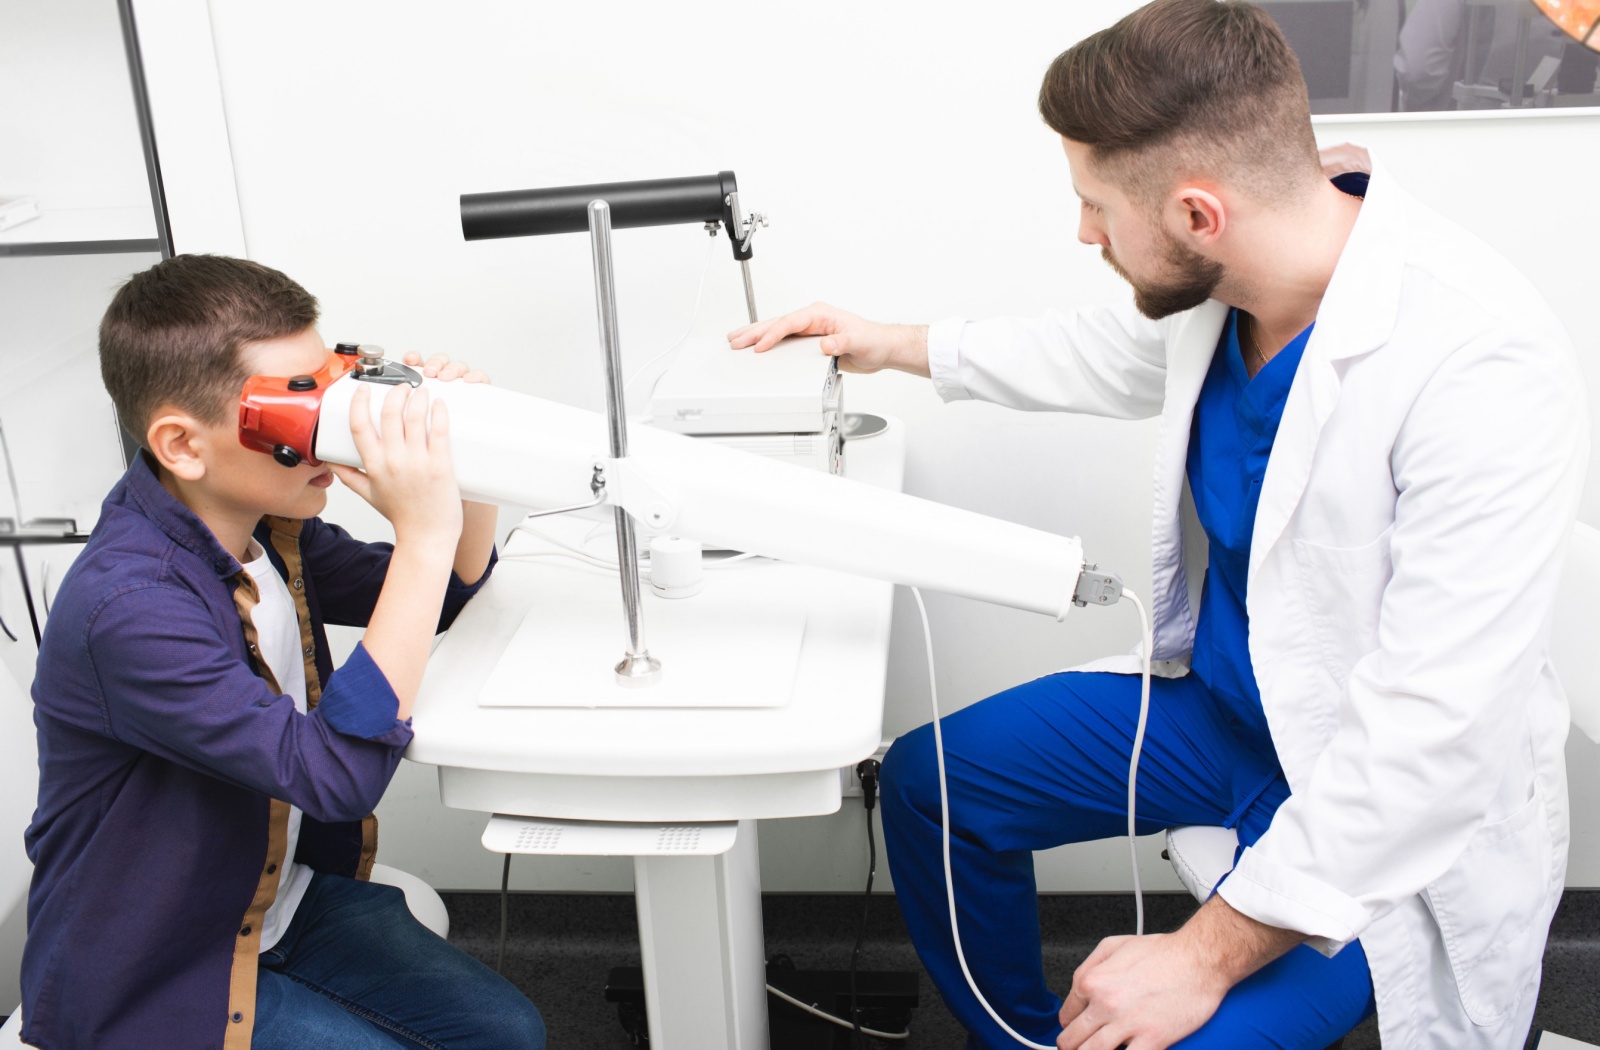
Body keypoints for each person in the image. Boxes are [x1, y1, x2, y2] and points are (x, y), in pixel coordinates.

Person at [730, 2, 1587, 1047]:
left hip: (1374, 795)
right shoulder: (1233, 284)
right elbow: (1100, 352)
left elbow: (1428, 739)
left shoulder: (1474, 362)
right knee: (928, 787)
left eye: (1094, 204)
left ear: (1195, 214)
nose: (1084, 232)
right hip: (1225, 716)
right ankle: (1024, 1038)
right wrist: (892, 342)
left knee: (1167, 1029)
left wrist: (1197, 954)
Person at [21, 255, 545, 1050]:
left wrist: (462, 464)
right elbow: (333, 776)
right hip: (157, 958)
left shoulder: (259, 527)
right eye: (297, 412)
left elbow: (441, 600)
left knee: (508, 1033)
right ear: (183, 445)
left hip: (267, 900)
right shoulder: (130, 609)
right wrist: (424, 530)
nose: (330, 433)